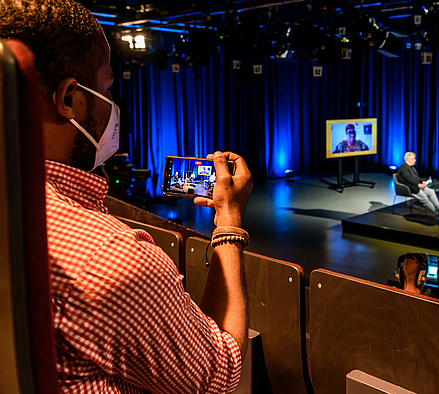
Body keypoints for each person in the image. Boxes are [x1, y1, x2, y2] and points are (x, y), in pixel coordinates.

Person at [1, 1, 252, 392]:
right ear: (70, 98)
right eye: (107, 89)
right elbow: (216, 376)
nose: (111, 104)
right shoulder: (110, 257)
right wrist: (230, 220)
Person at [396, 152, 439, 219]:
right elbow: (409, 180)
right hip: (411, 188)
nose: (415, 160)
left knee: (431, 192)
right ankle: (438, 213)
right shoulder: (403, 168)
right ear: (408, 160)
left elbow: (416, 177)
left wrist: (422, 182)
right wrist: (419, 185)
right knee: (425, 198)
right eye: (413, 159)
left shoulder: (411, 167)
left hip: (417, 186)